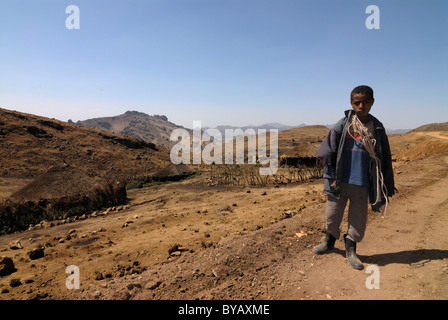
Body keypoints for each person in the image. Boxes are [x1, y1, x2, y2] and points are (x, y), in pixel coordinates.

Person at [313, 85, 395, 270]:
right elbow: (327, 150)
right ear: (351, 103)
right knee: (332, 215)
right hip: (339, 181)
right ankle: (329, 242)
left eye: (365, 102)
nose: (361, 106)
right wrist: (330, 175)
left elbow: (385, 158)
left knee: (358, 219)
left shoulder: (377, 128)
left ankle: (351, 250)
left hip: (363, 183)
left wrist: (387, 184)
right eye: (357, 102)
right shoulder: (343, 124)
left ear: (372, 103)